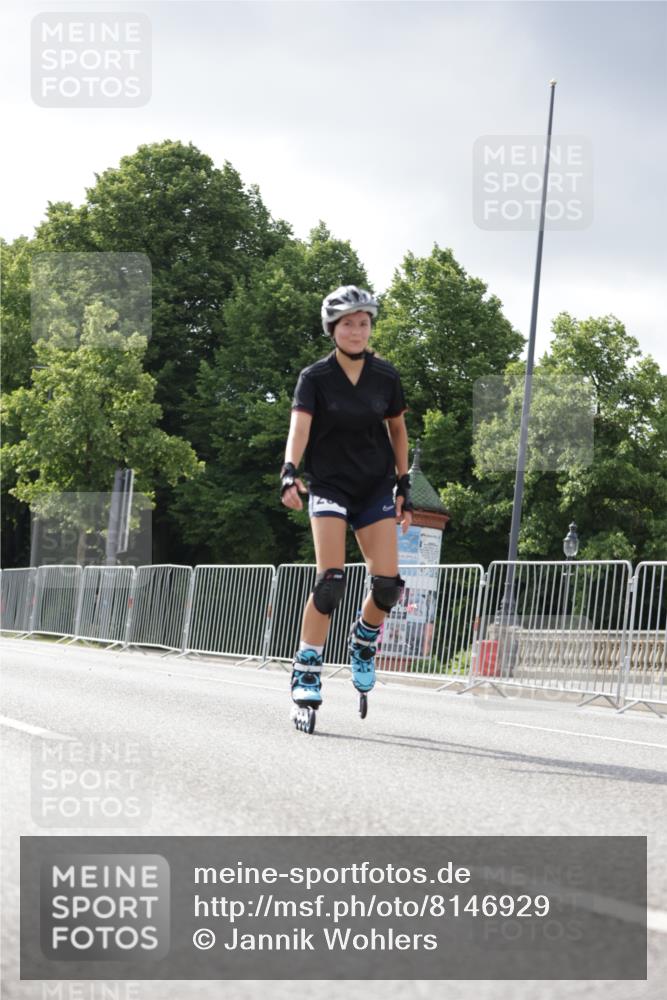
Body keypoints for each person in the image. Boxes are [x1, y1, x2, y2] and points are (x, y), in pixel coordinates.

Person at [280, 284, 413, 713]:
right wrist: (289, 471)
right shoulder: (314, 378)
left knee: (388, 587)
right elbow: (299, 428)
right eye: (349, 324)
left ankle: (363, 641)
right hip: (330, 485)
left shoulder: (386, 377)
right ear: (332, 329)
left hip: (374, 484)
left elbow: (398, 430)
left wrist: (403, 484)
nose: (358, 331)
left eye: (364, 323)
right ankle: (307, 666)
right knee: (331, 580)